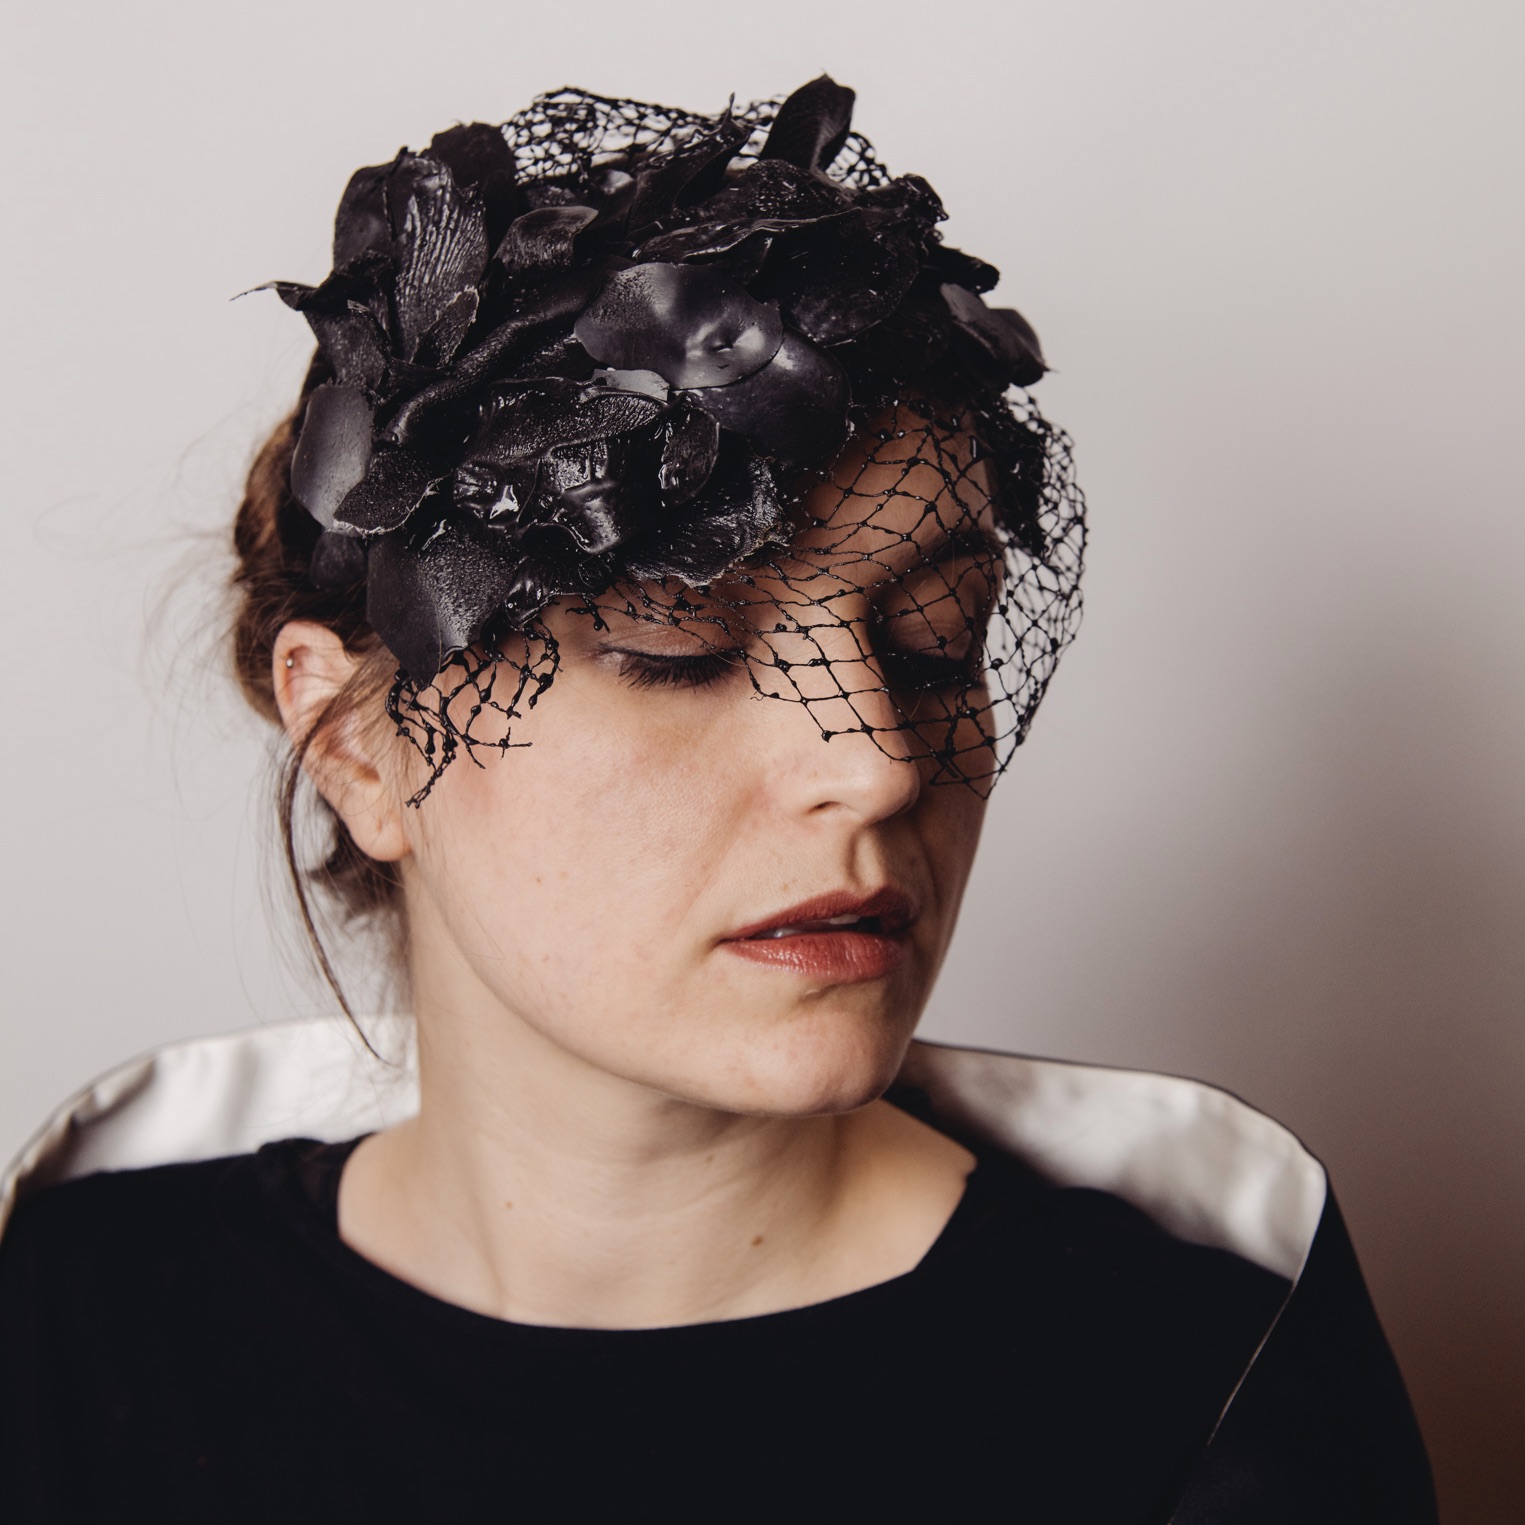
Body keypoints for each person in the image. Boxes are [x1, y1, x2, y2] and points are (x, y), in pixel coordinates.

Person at [0, 79, 1435, 1522]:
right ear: (359, 746)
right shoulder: (75, 1316)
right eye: (675, 647)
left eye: (936, 639)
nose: (874, 761)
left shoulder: (1200, 1389)